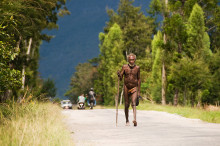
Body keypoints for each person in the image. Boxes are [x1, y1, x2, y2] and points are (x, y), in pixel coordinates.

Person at [117, 53, 141, 126]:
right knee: (126, 104)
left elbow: (139, 79)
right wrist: (119, 74)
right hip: (126, 87)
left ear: (135, 60)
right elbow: (121, 78)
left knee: (133, 103)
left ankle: (134, 119)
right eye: (130, 60)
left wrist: (139, 91)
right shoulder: (124, 67)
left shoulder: (137, 68)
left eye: (133, 60)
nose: (131, 61)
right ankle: (127, 120)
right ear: (128, 60)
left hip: (134, 87)